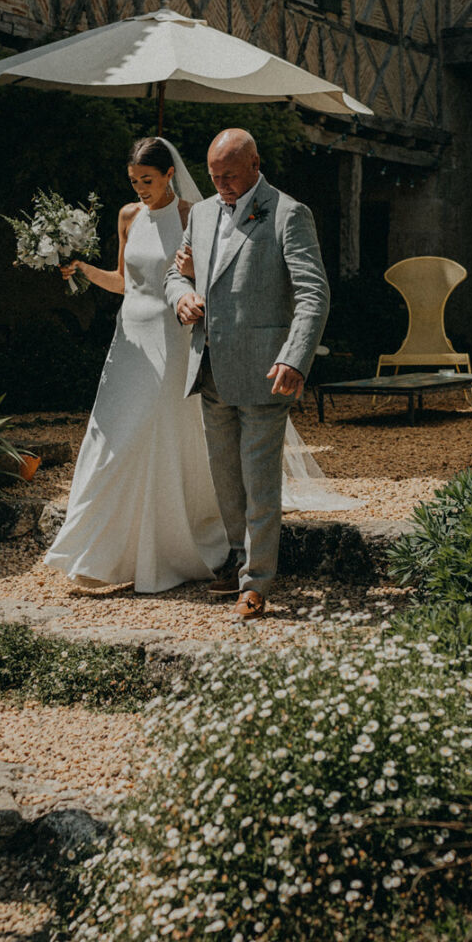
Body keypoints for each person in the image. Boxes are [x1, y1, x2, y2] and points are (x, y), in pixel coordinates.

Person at [43, 138, 229, 592]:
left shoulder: (193, 216)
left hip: (173, 336)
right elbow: (125, 282)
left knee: (153, 432)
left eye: (147, 180)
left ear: (169, 174)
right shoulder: (128, 216)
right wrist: (82, 269)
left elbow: (217, 280)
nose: (140, 189)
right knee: (111, 433)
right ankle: (99, 552)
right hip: (129, 339)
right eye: (133, 182)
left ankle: (163, 548)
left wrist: (192, 273)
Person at [164, 130, 330, 621]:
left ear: (255, 163)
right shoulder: (200, 212)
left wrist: (294, 357)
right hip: (210, 367)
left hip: (264, 371)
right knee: (225, 479)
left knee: (259, 480)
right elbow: (177, 273)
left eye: (230, 176)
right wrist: (182, 297)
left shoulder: (289, 213)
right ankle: (238, 560)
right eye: (215, 177)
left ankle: (256, 582)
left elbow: (313, 293)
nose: (221, 186)